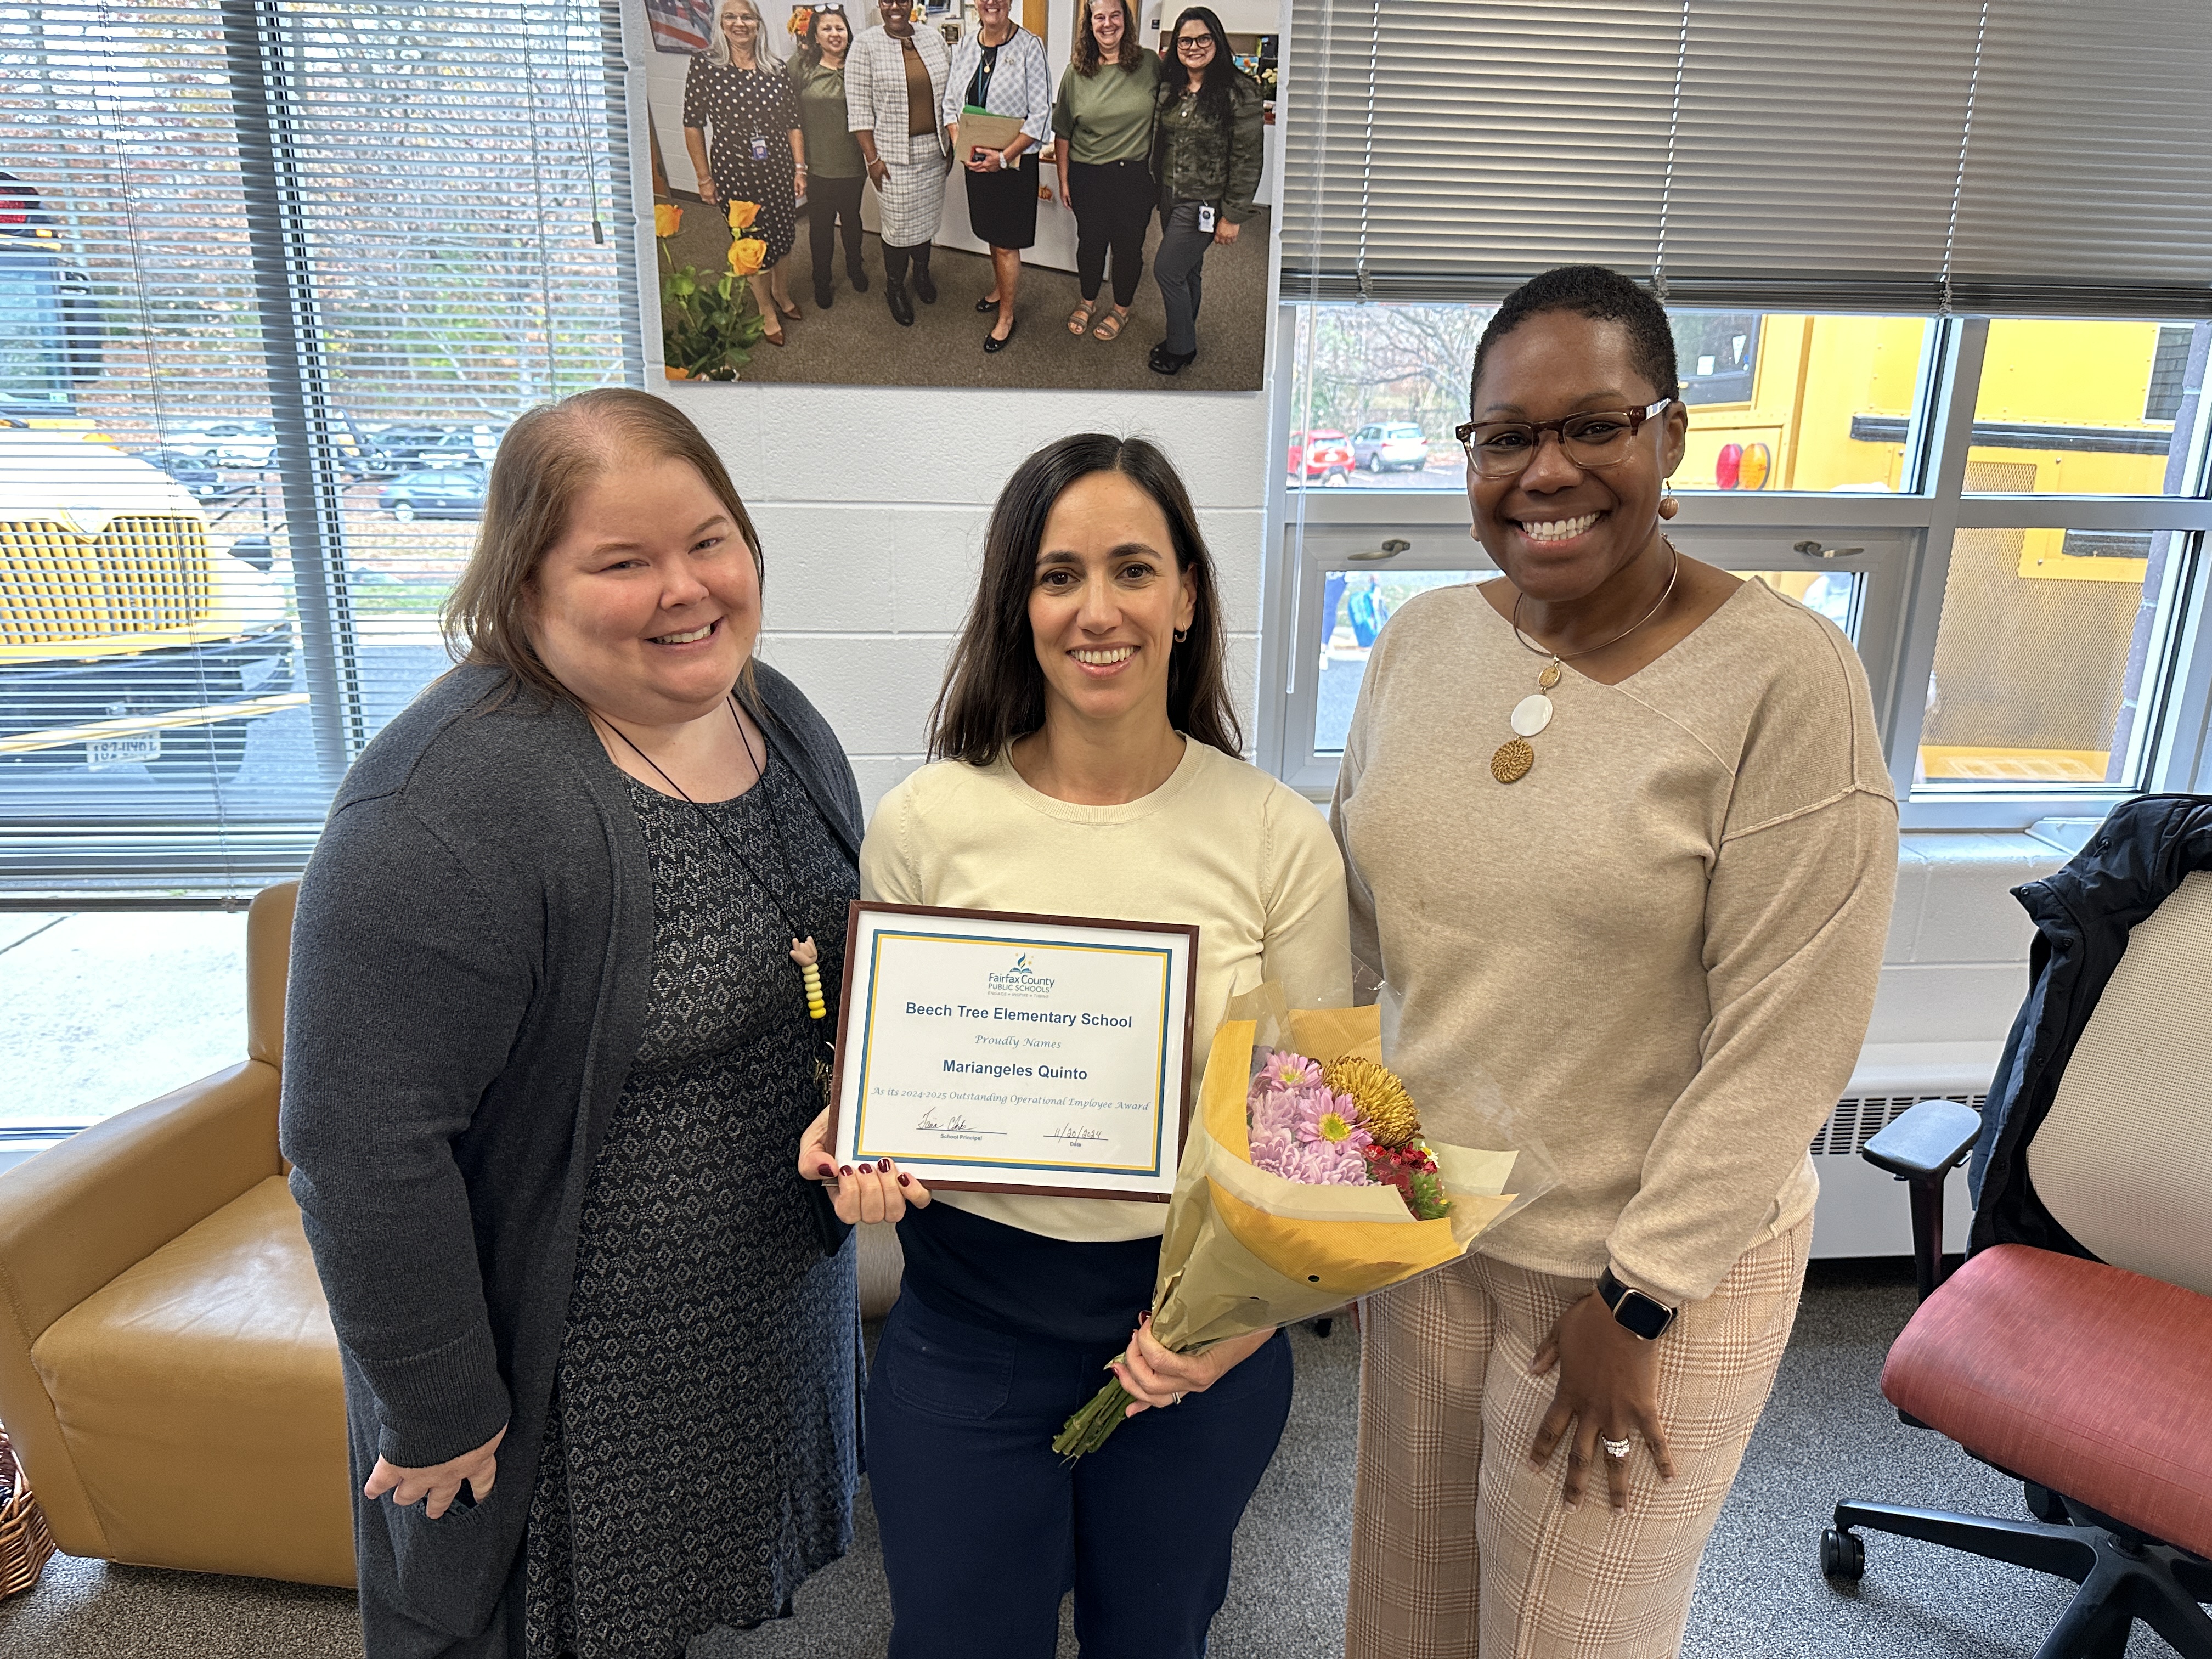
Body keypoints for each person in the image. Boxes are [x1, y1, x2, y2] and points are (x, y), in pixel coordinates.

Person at [1333, 265, 1898, 1657]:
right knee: (1403, 1617)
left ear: (1670, 436)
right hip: (1436, 1240)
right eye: (1506, 436)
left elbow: (1793, 1027)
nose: (1548, 472)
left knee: (1560, 1636)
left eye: (1595, 426)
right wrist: (1327, 1165)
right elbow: (1360, 926)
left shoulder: (1785, 680)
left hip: (1643, 1274)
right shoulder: (1419, 642)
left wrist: (1640, 1294)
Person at [281, 388, 868, 1659]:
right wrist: (437, 1404)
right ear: (524, 583)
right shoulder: (441, 811)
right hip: (569, 1392)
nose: (685, 588)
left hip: (749, 1334)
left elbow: (825, 973)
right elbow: (353, 1139)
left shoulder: (780, 719)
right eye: (623, 561)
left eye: (709, 540)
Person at [800, 433, 1350, 1658]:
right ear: (1019, 604)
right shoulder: (928, 822)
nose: (1096, 611)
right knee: (956, 1639)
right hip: (967, 1328)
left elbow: (1321, 1139)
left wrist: (1239, 1331)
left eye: (1133, 570)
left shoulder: (1277, 839)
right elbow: (881, 1083)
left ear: (1189, 595)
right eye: (1058, 576)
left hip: (1193, 1335)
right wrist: (856, 1141)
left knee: (1155, 1636)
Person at [1147, 6, 1261, 376]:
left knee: (1166, 271)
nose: (1193, 46)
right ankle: (1186, 331)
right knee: (1188, 270)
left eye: (1202, 38)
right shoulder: (1171, 87)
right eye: (1184, 40)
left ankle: (1182, 347)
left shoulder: (1239, 91)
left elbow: (1247, 158)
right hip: (1168, 192)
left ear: (1217, 40)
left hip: (1204, 201)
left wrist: (1232, 216)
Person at [684, 0, 806, 345]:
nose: (740, 23)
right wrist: (703, 178)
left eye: (747, 17)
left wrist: (800, 169)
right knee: (751, 245)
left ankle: (782, 293)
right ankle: (766, 309)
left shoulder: (775, 69)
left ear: (758, 24)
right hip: (734, 174)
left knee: (782, 238)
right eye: (732, 17)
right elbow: (693, 125)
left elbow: (793, 123)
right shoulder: (705, 66)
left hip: (778, 170)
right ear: (721, 25)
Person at [942, 0, 1052, 353]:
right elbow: (949, 105)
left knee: (1006, 243)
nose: (992, 2)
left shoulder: (1030, 47)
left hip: (1013, 165)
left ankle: (1007, 315)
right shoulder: (965, 46)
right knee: (990, 232)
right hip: (977, 162)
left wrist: (1003, 157)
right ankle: (1000, 288)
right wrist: (964, 147)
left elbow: (1039, 116)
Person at [1052, 0, 1159, 345]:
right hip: (1088, 175)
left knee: (1129, 248)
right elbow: (1063, 131)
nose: (1108, 24)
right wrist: (1064, 179)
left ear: (1126, 21)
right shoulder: (1076, 72)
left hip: (1134, 176)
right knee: (1091, 244)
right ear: (1090, 23)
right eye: (1100, 17)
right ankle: (1087, 301)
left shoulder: (1149, 64)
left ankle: (1121, 308)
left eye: (1115, 16)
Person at [847, 0, 952, 328]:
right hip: (892, 158)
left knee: (926, 221)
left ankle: (921, 274)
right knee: (898, 227)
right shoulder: (865, 46)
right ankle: (894, 287)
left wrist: (951, 145)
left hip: (934, 152)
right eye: (887, 1)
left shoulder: (933, 39)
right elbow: (859, 110)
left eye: (902, 0)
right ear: (880, 4)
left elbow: (951, 96)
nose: (895, 7)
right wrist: (872, 159)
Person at [791, 5, 870, 311]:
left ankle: (855, 267)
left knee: (852, 221)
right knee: (821, 228)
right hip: (817, 167)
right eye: (827, 29)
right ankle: (821, 279)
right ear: (816, 35)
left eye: (840, 28)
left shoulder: (859, 66)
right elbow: (788, 114)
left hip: (853, 164)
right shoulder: (802, 66)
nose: (835, 34)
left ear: (848, 34)